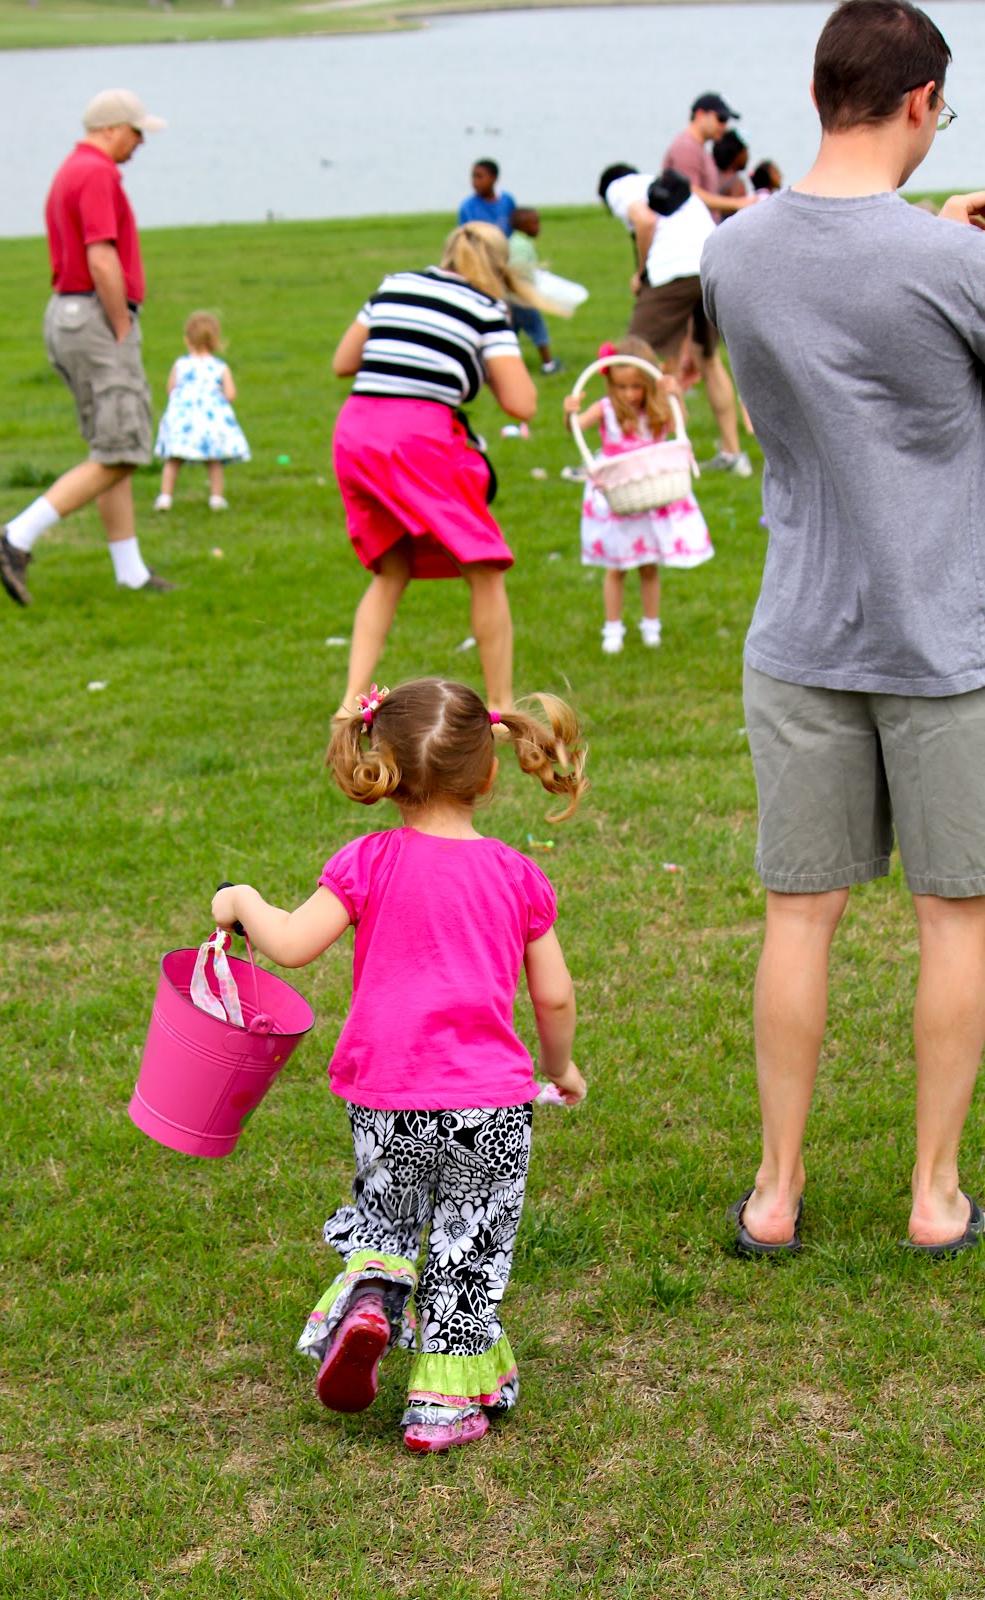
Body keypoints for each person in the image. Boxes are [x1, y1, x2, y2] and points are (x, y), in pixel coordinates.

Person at [701, 0, 985, 1257]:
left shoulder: (731, 253)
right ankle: (932, 1197)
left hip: (799, 631)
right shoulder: (946, 263)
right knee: (954, 919)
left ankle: (773, 1192)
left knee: (797, 916)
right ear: (920, 99)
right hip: (948, 637)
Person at [211, 677, 588, 1453]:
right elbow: (551, 996)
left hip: (387, 1097)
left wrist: (241, 899)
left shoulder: (365, 861)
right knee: (469, 1243)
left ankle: (371, 1299)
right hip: (489, 1106)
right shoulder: (516, 875)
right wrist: (561, 1068)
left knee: (388, 1218)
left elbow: (287, 944)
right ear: (488, 773)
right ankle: (441, 1409)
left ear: (386, 769)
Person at [330, 222, 538, 714]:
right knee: (485, 568)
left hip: (356, 431)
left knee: (391, 567)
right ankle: (502, 708)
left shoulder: (394, 284)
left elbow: (344, 361)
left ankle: (350, 706)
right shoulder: (486, 310)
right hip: (416, 437)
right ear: (499, 266)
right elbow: (523, 403)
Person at [0, 89, 172, 606]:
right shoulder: (97, 174)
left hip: (66, 312)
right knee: (122, 447)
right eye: (136, 132)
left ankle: (129, 572)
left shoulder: (71, 168)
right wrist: (120, 324)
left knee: (111, 448)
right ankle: (16, 537)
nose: (140, 143)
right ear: (111, 129)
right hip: (92, 314)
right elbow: (101, 255)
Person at [598, 163, 751, 477]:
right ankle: (733, 455)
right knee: (709, 360)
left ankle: (624, 450)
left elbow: (644, 221)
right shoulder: (660, 181)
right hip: (711, 266)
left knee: (631, 360)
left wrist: (642, 272)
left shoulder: (618, 188)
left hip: (673, 269)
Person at [565, 337, 712, 653]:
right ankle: (613, 628)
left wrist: (676, 398)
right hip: (619, 495)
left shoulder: (656, 409)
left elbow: (679, 426)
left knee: (649, 565)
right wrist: (570, 413)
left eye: (636, 387)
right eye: (621, 387)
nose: (629, 395)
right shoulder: (605, 409)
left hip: (651, 492)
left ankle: (651, 625)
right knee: (616, 566)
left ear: (648, 383)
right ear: (610, 385)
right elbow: (575, 427)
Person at [153, 311, 250, 512]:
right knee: (214, 460)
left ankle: (165, 497)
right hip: (210, 423)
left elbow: (171, 388)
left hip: (183, 422)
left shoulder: (180, 364)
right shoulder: (220, 367)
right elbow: (230, 394)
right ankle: (216, 498)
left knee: (174, 458)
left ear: (187, 340)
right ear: (215, 341)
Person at [663, 93, 756, 222]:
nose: (724, 126)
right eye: (721, 119)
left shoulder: (698, 148)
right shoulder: (686, 147)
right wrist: (739, 203)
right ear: (700, 115)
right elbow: (690, 194)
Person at [507, 207, 562, 374]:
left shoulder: (514, 242)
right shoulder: (521, 246)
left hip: (510, 297)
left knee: (510, 332)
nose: (539, 227)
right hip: (522, 297)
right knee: (538, 329)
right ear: (523, 226)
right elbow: (517, 271)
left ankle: (507, 365)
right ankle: (548, 364)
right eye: (535, 223)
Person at [457, 159, 517, 236]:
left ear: (494, 178)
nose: (475, 182)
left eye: (479, 177)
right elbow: (464, 236)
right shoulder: (468, 207)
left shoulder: (507, 201)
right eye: (473, 177)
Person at [713, 128, 750, 208]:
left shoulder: (713, 177)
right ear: (737, 154)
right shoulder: (737, 184)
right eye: (745, 150)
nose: (747, 156)